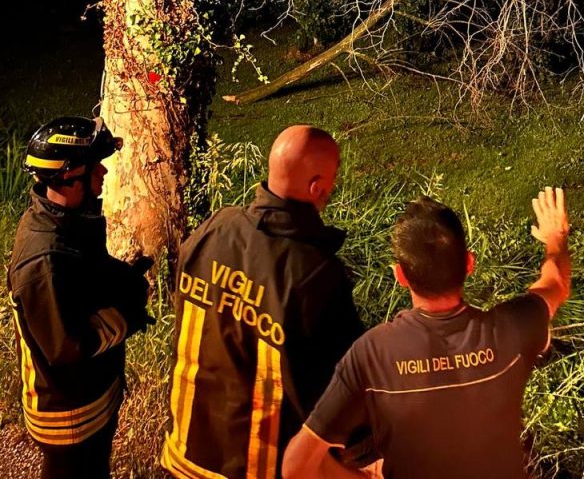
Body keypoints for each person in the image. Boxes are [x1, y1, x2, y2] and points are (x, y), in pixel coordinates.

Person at [283, 187, 571, 479]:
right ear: (469, 263)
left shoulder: (372, 354)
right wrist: (555, 236)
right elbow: (557, 281)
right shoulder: (512, 329)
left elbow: (295, 466)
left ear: (400, 276)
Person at [161, 124, 364, 479]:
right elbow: (341, 386)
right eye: (332, 177)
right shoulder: (314, 273)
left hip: (186, 454)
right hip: (253, 467)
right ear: (316, 186)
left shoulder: (215, 228)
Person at [7, 116, 153, 479]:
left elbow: (86, 272)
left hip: (91, 397)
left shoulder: (67, 220)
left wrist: (123, 277)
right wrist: (128, 314)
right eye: (94, 165)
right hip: (69, 416)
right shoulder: (42, 261)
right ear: (69, 177)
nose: (103, 171)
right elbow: (66, 346)